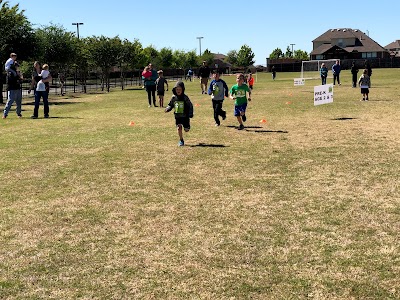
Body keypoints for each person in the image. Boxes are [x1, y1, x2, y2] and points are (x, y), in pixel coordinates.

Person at [165, 81, 194, 146]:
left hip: (185, 116)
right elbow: (170, 105)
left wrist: (190, 113)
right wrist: (168, 108)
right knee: (179, 127)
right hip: (177, 116)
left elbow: (190, 105)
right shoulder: (174, 98)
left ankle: (187, 126)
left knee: (186, 129)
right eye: (177, 89)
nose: (178, 91)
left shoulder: (185, 97)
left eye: (180, 89)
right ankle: (181, 140)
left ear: (182, 89)